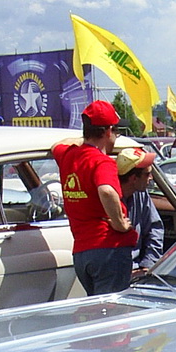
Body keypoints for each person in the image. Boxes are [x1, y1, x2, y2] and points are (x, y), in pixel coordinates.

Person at [51, 100, 135, 295]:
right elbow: (106, 190)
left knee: (98, 312)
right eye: (116, 131)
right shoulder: (102, 162)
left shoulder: (69, 155)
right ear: (108, 131)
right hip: (108, 248)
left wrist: (86, 137)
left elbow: (57, 145)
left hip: (82, 252)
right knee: (112, 316)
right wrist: (119, 223)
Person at [115, 145, 164, 279]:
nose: (151, 178)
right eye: (147, 174)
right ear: (133, 178)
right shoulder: (110, 197)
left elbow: (155, 228)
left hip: (138, 268)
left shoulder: (141, 194)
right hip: (116, 269)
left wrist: (148, 264)